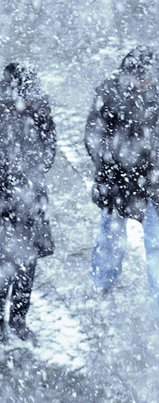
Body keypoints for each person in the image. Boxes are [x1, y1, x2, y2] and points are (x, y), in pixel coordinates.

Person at [84, 46, 159, 323]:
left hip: (157, 185)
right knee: (110, 239)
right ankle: (100, 288)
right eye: (139, 75)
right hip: (117, 182)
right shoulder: (109, 93)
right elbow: (94, 135)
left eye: (148, 75)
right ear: (127, 74)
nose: (144, 81)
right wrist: (112, 163)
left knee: (157, 249)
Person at [0, 63, 56, 343]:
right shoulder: (3, 112)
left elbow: (50, 151)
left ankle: (19, 321)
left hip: (31, 200)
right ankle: (2, 324)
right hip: (6, 200)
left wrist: (32, 171)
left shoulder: (40, 111)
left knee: (28, 263)